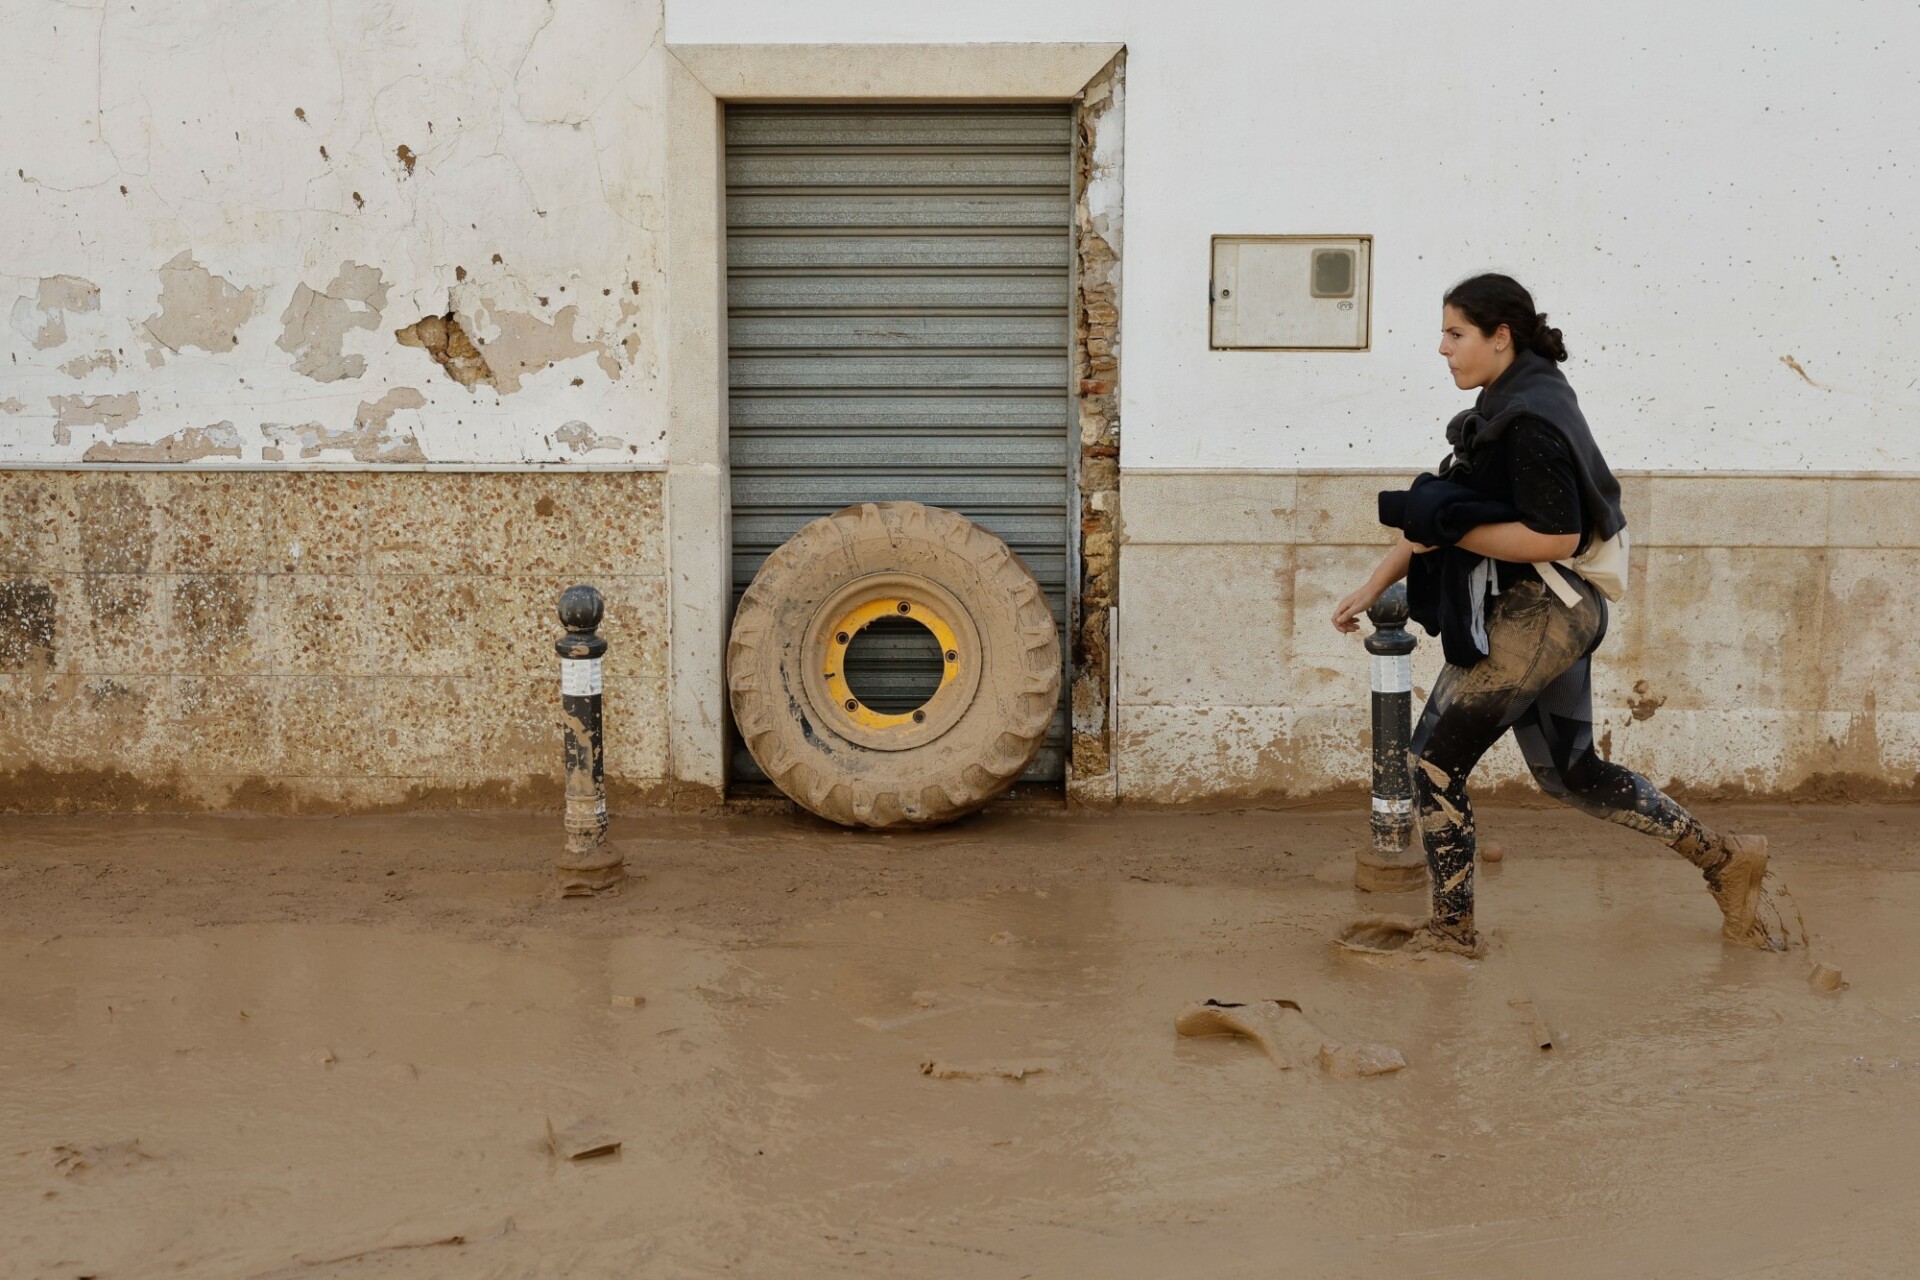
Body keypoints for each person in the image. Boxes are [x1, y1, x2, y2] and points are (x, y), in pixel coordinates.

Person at [1331, 273, 1791, 957]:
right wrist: (1373, 586)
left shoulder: (1530, 422)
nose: (1443, 348)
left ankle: (1452, 933)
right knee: (1571, 773)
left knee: (1430, 763)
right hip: (1554, 611)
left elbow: (1557, 538)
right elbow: (1445, 508)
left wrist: (1455, 535)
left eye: (1456, 334)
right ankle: (1726, 862)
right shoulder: (1509, 402)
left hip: (1540, 612)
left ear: (1500, 336)